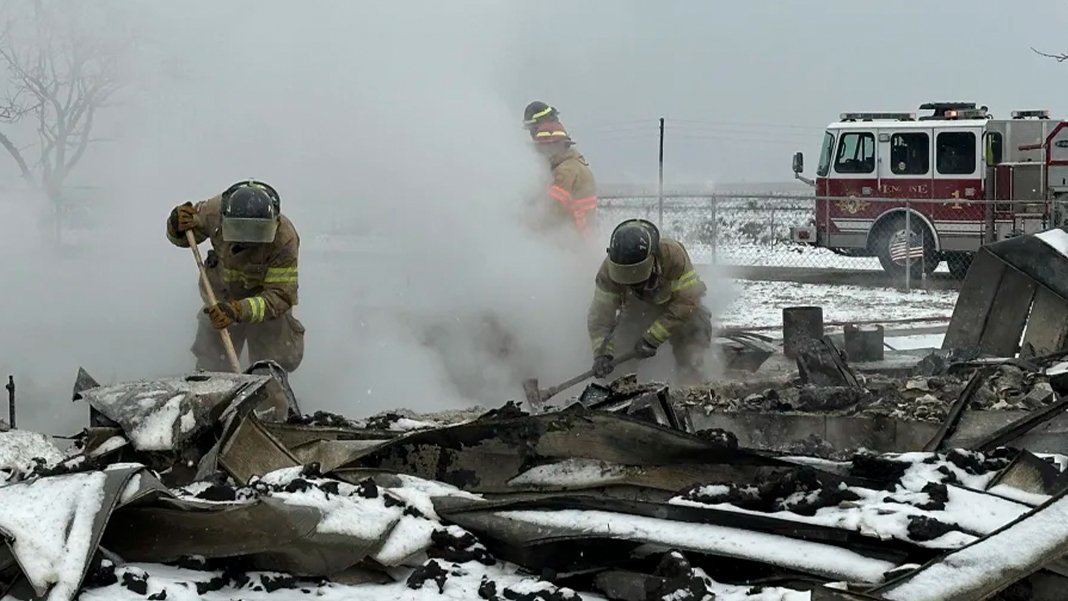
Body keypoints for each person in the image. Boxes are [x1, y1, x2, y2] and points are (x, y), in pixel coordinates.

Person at [166, 180, 305, 373]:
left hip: (265, 308)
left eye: (257, 232)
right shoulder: (213, 212)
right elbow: (186, 236)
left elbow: (280, 295)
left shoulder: (284, 238)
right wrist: (175, 226)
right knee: (212, 369)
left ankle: (269, 390)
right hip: (220, 301)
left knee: (269, 370)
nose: (247, 238)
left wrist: (238, 310)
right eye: (239, 229)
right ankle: (213, 390)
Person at [586, 219, 712, 385]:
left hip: (677, 310)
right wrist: (602, 354)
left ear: (653, 260)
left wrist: (652, 338)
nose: (634, 285)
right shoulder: (607, 272)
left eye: (638, 281)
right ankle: (621, 391)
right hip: (635, 312)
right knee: (619, 353)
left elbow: (687, 302)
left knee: (695, 326)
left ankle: (691, 385)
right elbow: (600, 317)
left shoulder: (673, 256)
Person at [531, 120, 598, 238]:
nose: (541, 153)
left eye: (542, 148)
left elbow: (552, 212)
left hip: (574, 240)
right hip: (582, 236)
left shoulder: (565, 172)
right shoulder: (574, 165)